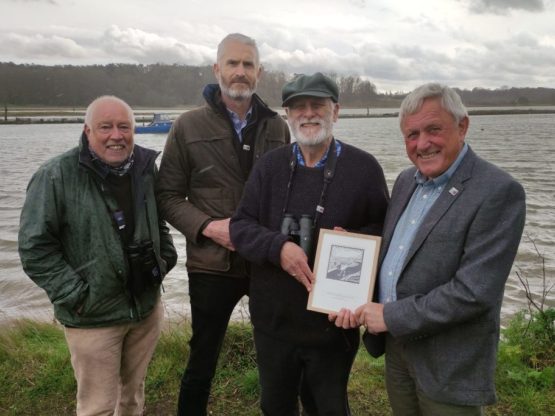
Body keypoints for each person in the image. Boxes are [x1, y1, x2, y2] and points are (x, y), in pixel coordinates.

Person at [333, 83, 526, 415]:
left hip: (447, 362)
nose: (422, 144)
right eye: (412, 134)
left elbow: (473, 293)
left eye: (433, 129)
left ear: (462, 126)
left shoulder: (498, 191)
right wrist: (351, 251)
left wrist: (389, 315)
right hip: (398, 349)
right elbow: (400, 253)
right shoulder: (407, 180)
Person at [229, 72, 390, 415]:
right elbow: (241, 227)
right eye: (297, 107)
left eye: (317, 105)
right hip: (273, 324)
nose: (307, 114)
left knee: (329, 408)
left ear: (336, 111)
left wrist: (360, 241)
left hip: (333, 326)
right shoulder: (268, 167)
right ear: (287, 115)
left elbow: (384, 232)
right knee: (275, 407)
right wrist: (278, 248)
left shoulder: (364, 169)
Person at [156, 33, 290, 415]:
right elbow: (167, 196)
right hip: (211, 265)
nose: (240, 72)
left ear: (259, 73)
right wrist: (210, 228)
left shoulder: (277, 127)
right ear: (217, 69)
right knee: (202, 359)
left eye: (248, 65)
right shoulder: (187, 127)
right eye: (232, 63)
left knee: (277, 354)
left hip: (265, 262)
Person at [18, 95, 178, 415]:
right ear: (87, 130)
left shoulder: (145, 169)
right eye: (105, 127)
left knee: (132, 399)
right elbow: (34, 248)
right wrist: (78, 296)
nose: (116, 136)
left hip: (145, 310)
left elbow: (158, 222)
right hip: (92, 318)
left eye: (124, 127)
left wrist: (164, 259)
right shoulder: (55, 175)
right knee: (97, 407)